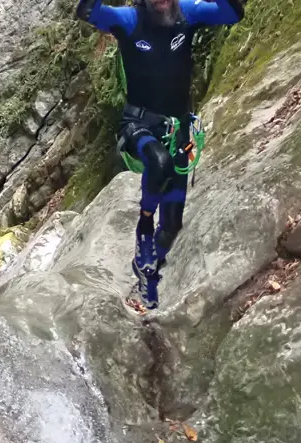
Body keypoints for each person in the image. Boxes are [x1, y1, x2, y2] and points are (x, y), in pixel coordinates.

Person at [76, 0, 244, 310]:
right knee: (159, 163)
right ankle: (143, 229)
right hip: (138, 124)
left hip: (177, 128)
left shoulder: (187, 13)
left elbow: (232, 13)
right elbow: (88, 12)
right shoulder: (129, 20)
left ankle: (148, 274)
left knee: (172, 226)